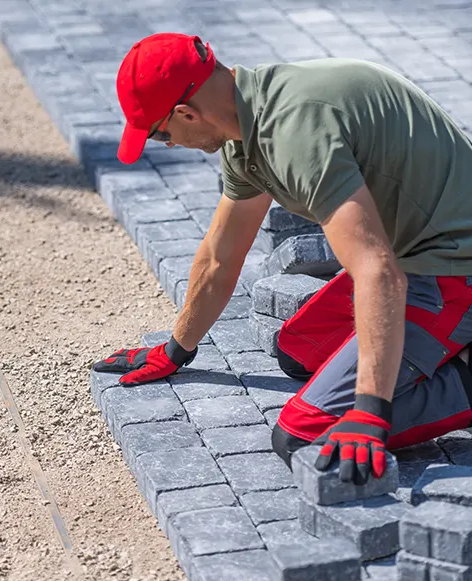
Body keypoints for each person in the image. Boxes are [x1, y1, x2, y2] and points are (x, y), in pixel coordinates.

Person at [94, 32, 472, 486]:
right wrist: (177, 349)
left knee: (304, 435)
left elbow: (377, 272)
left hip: (452, 267)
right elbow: (220, 254)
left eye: (161, 134)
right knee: (300, 349)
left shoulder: (295, 133)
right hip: (412, 254)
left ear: (185, 113)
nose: (169, 144)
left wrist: (371, 409)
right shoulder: (247, 127)